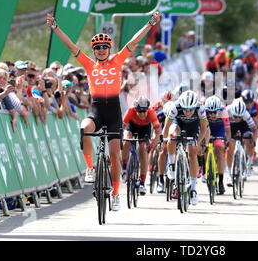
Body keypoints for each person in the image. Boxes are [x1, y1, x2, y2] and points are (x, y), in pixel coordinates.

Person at [46, 11, 161, 211]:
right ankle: (89, 168)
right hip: (97, 111)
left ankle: (116, 193)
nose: (100, 50)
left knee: (115, 156)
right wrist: (55, 27)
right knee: (84, 128)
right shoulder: (89, 65)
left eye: (104, 47)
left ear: (109, 49)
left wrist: (150, 24)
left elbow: (133, 42)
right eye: (97, 47)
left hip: (114, 113)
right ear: (94, 50)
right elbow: (71, 45)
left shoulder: (117, 61)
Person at [163, 90, 208, 205]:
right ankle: (172, 165)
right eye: (185, 109)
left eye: (190, 110)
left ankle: (193, 189)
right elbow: (166, 127)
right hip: (178, 124)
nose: (187, 112)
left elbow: (204, 129)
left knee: (192, 152)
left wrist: (197, 142)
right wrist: (164, 141)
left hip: (194, 127)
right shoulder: (175, 107)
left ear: (195, 107)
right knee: (172, 136)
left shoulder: (201, 108)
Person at [122, 96, 161, 196]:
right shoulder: (131, 110)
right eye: (140, 111)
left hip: (144, 129)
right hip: (132, 127)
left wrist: (152, 144)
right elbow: (121, 127)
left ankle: (142, 183)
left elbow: (158, 133)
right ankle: (124, 168)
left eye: (144, 111)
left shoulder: (151, 113)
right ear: (136, 109)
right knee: (126, 142)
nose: (142, 114)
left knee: (143, 150)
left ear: (148, 109)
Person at [225, 99, 258, 187]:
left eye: (239, 117)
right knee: (230, 149)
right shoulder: (226, 111)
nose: (237, 119)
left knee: (249, 141)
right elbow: (222, 128)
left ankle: (250, 163)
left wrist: (253, 142)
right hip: (231, 126)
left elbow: (255, 130)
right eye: (235, 116)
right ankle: (229, 175)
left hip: (244, 125)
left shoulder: (246, 115)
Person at [204, 95, 231, 194]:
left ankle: (220, 181)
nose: (212, 115)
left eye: (215, 112)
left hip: (220, 131)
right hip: (207, 129)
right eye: (210, 113)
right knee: (205, 148)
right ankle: (206, 170)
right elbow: (201, 128)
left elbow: (228, 131)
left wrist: (226, 142)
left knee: (219, 150)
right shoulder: (203, 111)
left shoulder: (223, 111)